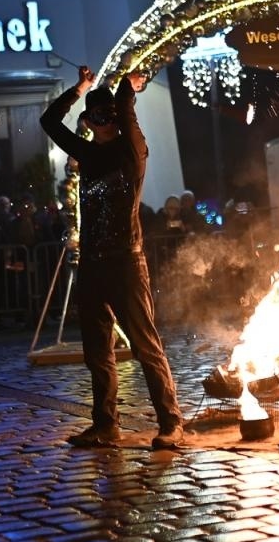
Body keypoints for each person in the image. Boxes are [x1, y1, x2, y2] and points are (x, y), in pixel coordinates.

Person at [40, 65, 186, 451]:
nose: (104, 122)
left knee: (145, 346)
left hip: (126, 262)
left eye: (110, 115)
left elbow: (124, 104)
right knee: (97, 351)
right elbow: (49, 121)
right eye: (96, 117)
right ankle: (106, 425)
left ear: (118, 117)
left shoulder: (131, 150)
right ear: (89, 122)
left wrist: (127, 89)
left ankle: (171, 423)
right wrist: (80, 88)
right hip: (93, 264)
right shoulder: (87, 152)